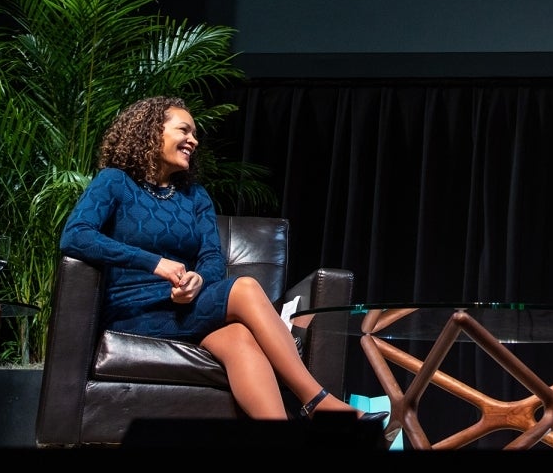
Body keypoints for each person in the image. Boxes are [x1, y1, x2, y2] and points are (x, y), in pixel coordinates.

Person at [59, 95, 379, 423]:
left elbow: (211, 257)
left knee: (239, 337)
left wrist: (198, 281)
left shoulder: (195, 197)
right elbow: (76, 235)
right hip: (134, 312)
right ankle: (316, 402)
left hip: (184, 310)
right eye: (184, 130)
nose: (193, 140)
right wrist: (154, 263)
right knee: (245, 288)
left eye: (195, 134)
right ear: (152, 131)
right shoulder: (114, 182)